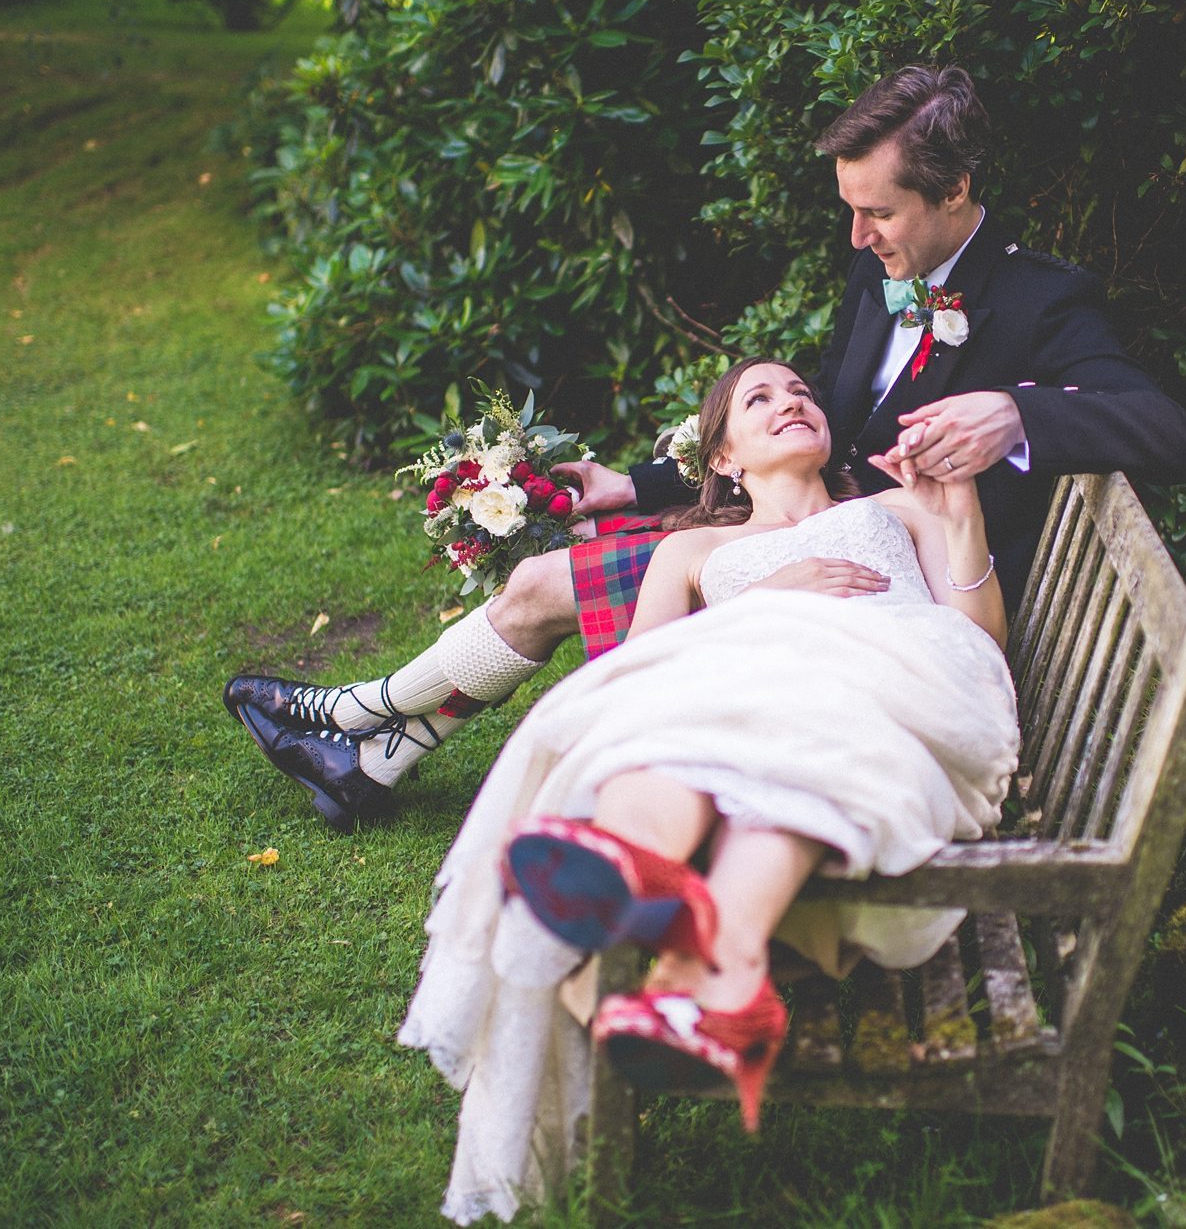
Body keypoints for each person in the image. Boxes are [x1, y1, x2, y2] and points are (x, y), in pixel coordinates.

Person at [224, 66, 1186, 830]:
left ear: (953, 190)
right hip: (792, 518)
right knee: (540, 588)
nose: (856, 234)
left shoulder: (1041, 299)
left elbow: (1170, 430)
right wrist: (636, 482)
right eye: (848, 206)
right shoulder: (880, 271)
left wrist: (1017, 414)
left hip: (892, 581)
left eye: (877, 211)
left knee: (536, 592)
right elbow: (806, 418)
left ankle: (354, 723)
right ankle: (368, 756)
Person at [395, 357, 1021, 1223]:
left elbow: (979, 648)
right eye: (759, 399)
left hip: (884, 683)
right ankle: (632, 869)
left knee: (810, 733)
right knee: (674, 723)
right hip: (735, 688)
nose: (790, 402)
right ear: (723, 458)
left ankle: (709, 971)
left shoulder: (895, 508)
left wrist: (963, 517)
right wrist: (763, 599)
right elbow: (646, 670)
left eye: (800, 392)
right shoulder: (692, 551)